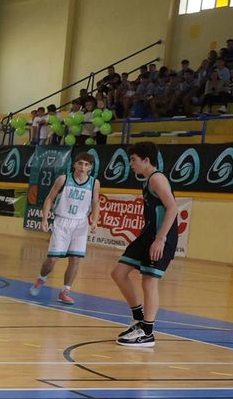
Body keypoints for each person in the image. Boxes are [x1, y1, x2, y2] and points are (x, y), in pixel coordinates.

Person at [111, 142, 178, 349]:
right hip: (147, 234)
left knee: (149, 281)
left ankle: (148, 332)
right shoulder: (147, 179)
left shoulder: (157, 179)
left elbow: (173, 208)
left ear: (146, 160)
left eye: (133, 160)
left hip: (160, 237)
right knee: (119, 273)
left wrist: (160, 239)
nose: (131, 164)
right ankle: (138, 318)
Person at [29, 152, 99, 305]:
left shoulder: (94, 183)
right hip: (62, 221)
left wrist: (95, 219)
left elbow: (95, 202)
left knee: (75, 259)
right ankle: (41, 278)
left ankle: (65, 291)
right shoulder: (63, 179)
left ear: (90, 168)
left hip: (80, 223)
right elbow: (49, 198)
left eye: (86, 165)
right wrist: (45, 218)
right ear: (74, 164)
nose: (83, 167)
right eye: (80, 163)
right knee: (53, 258)